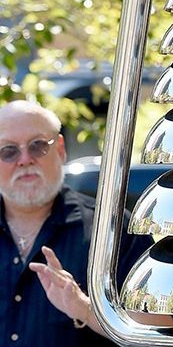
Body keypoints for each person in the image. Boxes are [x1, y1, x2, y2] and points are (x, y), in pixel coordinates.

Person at [0, 100, 155, 347]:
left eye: (38, 146)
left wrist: (85, 309)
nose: (25, 159)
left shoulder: (114, 230)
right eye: (8, 150)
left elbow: (157, 335)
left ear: (60, 148)